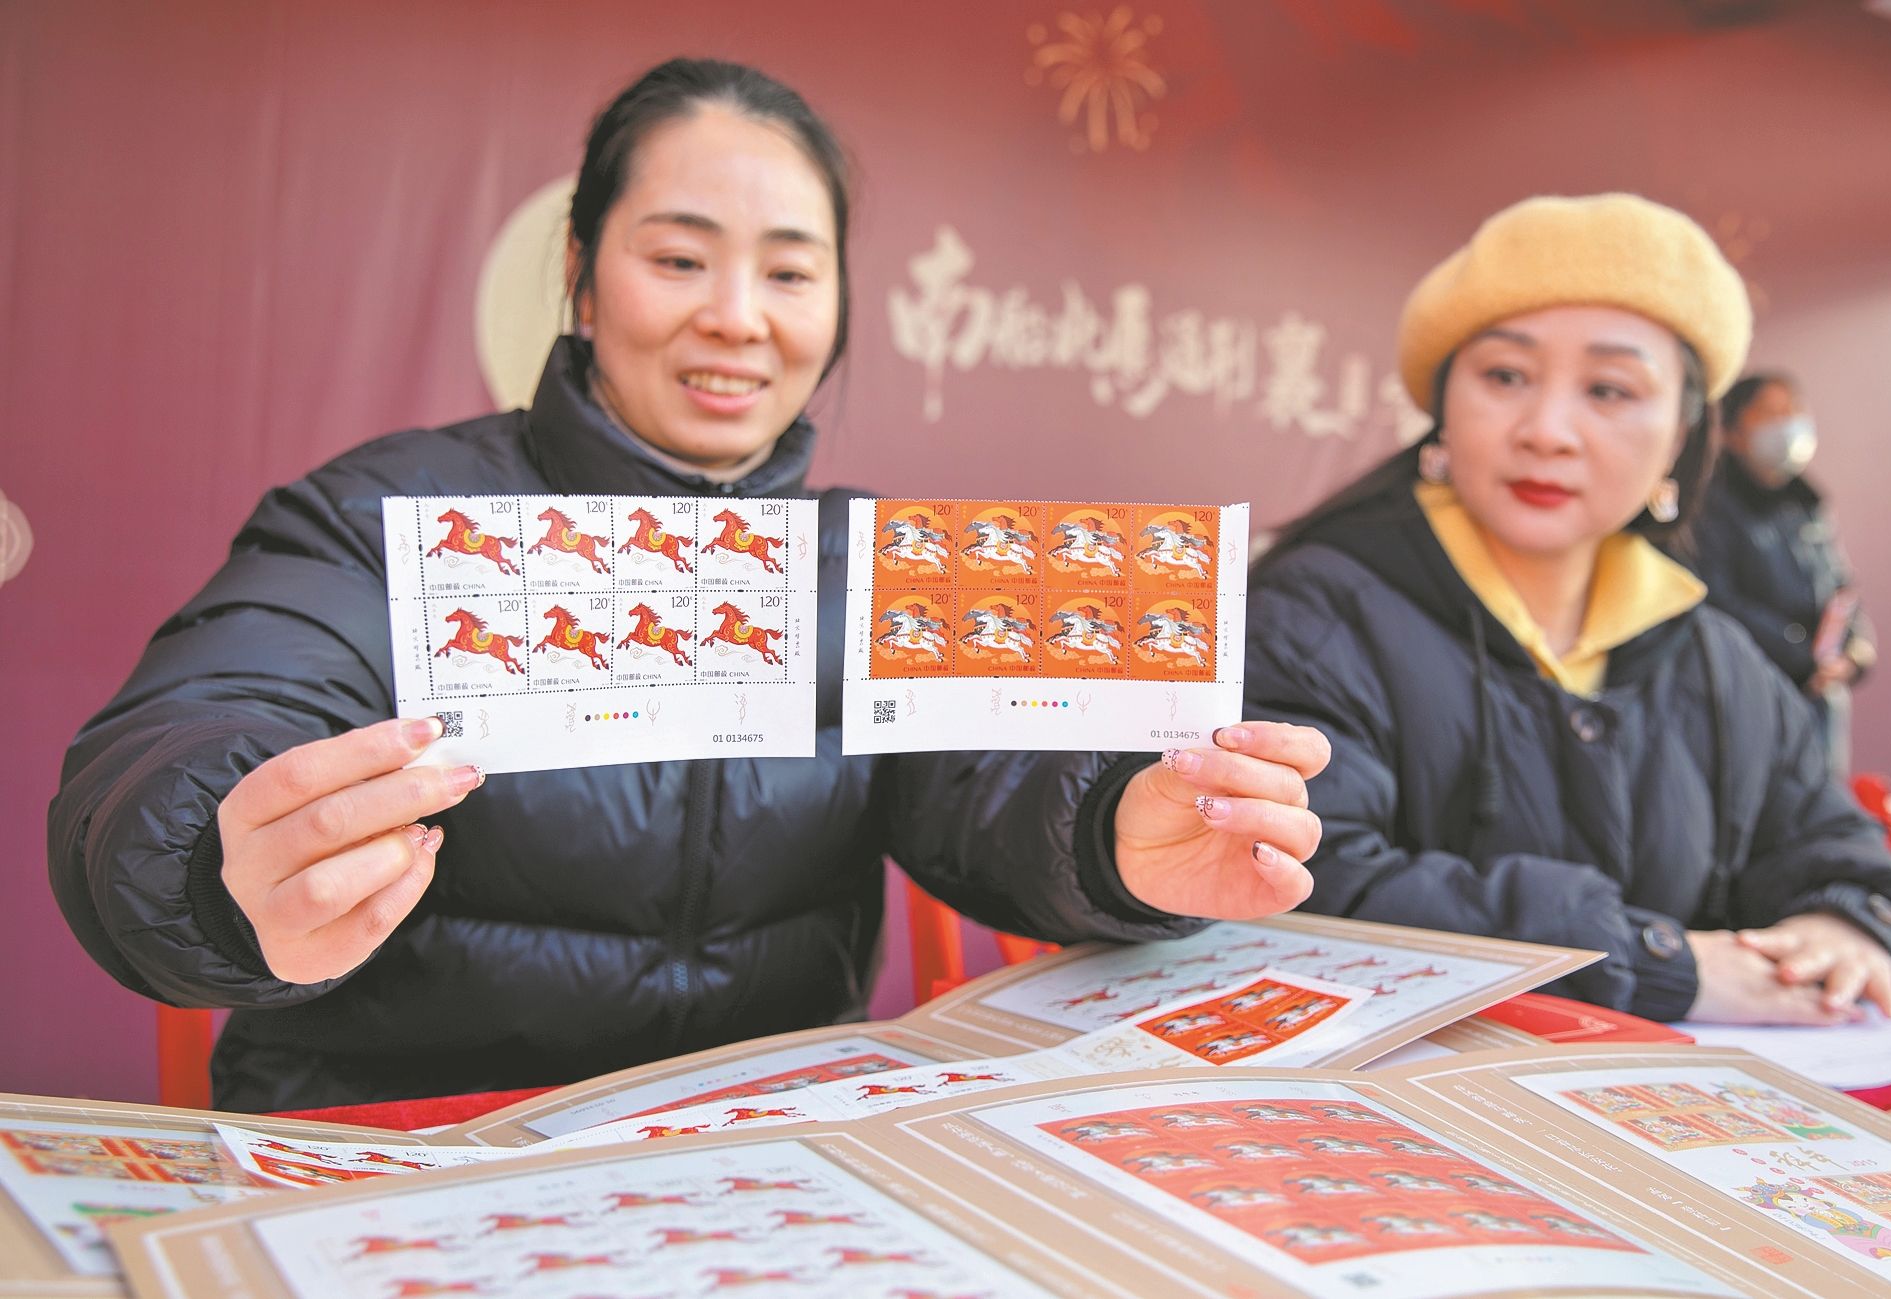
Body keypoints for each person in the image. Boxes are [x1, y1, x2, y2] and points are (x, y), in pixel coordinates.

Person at [47, 59, 1324, 1112]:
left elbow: (981, 781)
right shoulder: (384, 517)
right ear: (581, 271)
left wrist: (1118, 830)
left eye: (789, 272)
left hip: (754, 1150)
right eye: (678, 260)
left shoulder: (865, 559)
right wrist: (216, 856)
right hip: (415, 1135)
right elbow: (204, 718)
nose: (736, 317)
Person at [1245, 194, 1891, 1026]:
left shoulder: (1715, 657)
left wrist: (1845, 921)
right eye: (1505, 376)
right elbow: (1307, 878)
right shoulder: (1313, 615)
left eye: (1609, 389)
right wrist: (1655, 962)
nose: (1546, 430)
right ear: (1442, 405)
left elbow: (1827, 841)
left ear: (1680, 436)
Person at [1690, 372, 1875, 778]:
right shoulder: (1710, 508)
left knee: (1823, 796)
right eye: (1768, 412)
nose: (1786, 423)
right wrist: (1801, 656)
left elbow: (1840, 586)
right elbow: (1718, 601)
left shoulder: (1807, 504)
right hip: (1753, 695)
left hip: (1820, 698)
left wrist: (1854, 651)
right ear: (1732, 432)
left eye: (1793, 410)